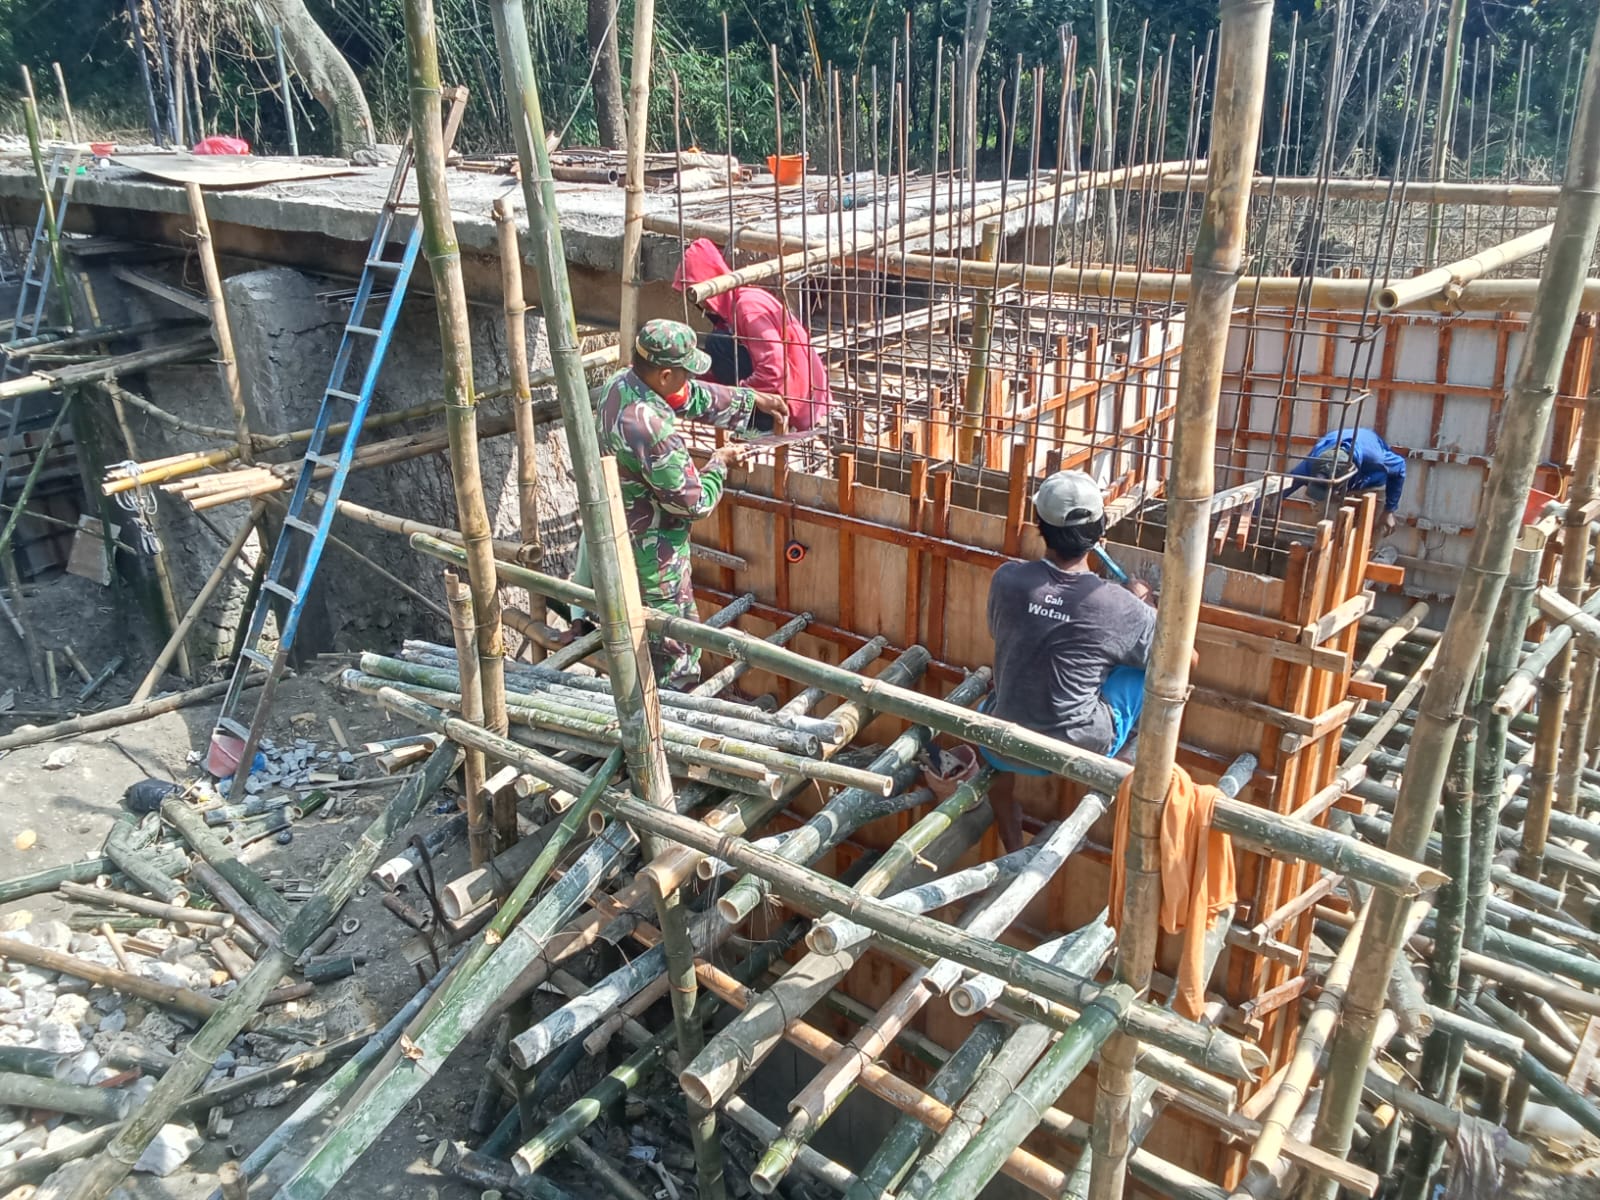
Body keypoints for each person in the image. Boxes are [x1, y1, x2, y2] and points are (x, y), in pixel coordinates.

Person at [580, 319, 790, 689]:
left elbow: (687, 396)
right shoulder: (649, 429)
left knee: (654, 638)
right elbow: (694, 503)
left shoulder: (622, 384)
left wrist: (749, 399)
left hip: (621, 533)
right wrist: (718, 464)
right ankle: (674, 722)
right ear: (663, 374)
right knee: (672, 644)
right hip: (652, 555)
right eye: (684, 371)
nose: (688, 378)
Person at [982, 470, 1176, 853]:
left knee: (1000, 693)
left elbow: (1001, 631)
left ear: (1040, 527)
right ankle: (1118, 764)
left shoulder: (1007, 579)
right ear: (1100, 531)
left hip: (1002, 745)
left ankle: (1008, 825)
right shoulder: (1118, 606)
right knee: (1146, 676)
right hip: (1076, 749)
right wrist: (1147, 607)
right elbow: (1184, 661)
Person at [673, 238, 832, 431]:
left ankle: (758, 424)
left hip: (794, 402)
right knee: (717, 344)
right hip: (796, 396)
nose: (700, 305)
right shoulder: (735, 309)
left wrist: (735, 395)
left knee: (718, 343)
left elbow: (775, 370)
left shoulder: (747, 307)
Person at [1283, 426, 1406, 535]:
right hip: (1341, 480)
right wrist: (1267, 501)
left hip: (1371, 481)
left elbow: (1400, 466)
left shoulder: (1375, 459)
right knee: (1323, 528)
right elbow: (1289, 483)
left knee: (1367, 531)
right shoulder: (1312, 463)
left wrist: (1389, 510)